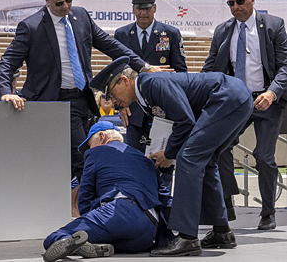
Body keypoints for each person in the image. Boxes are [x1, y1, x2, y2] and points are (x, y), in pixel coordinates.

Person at [0, 0, 168, 217]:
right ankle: (94, 214)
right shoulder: (31, 27)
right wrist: (5, 92)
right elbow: (7, 63)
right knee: (84, 159)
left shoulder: (81, 17)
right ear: (46, 1)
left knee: (83, 157)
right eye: (59, 3)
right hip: (51, 102)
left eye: (69, 0)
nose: (65, 7)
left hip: (82, 99)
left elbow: (110, 45)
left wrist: (143, 66)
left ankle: (85, 211)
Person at [91, 56, 253, 256]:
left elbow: (185, 120)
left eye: (112, 94)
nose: (113, 102)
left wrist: (169, 154)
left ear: (125, 81)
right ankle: (222, 232)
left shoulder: (152, 83)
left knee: (189, 158)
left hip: (227, 97)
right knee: (206, 162)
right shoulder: (145, 95)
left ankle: (187, 238)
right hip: (234, 97)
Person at [202, 0, 287, 229]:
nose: (236, 7)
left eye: (240, 1)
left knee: (263, 157)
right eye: (231, 3)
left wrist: (272, 93)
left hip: (267, 101)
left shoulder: (274, 25)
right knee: (218, 146)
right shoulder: (222, 31)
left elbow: (284, 66)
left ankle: (268, 212)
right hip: (236, 101)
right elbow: (210, 68)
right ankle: (227, 203)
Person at [42, 121, 172, 262]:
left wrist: (88, 220)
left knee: (54, 239)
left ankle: (79, 244)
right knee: (112, 241)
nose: (89, 148)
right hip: (148, 230)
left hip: (118, 212)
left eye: (90, 144)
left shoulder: (95, 153)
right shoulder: (146, 159)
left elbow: (85, 195)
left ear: (102, 136)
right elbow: (166, 200)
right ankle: (96, 247)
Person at [114, 0, 187, 190]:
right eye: (139, 8)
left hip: (163, 111)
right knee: (136, 163)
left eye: (147, 8)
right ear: (133, 9)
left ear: (154, 8)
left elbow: (180, 73)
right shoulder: (121, 35)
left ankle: (163, 210)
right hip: (134, 112)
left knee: (163, 165)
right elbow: (116, 76)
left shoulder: (170, 34)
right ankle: (141, 209)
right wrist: (120, 106)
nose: (143, 13)